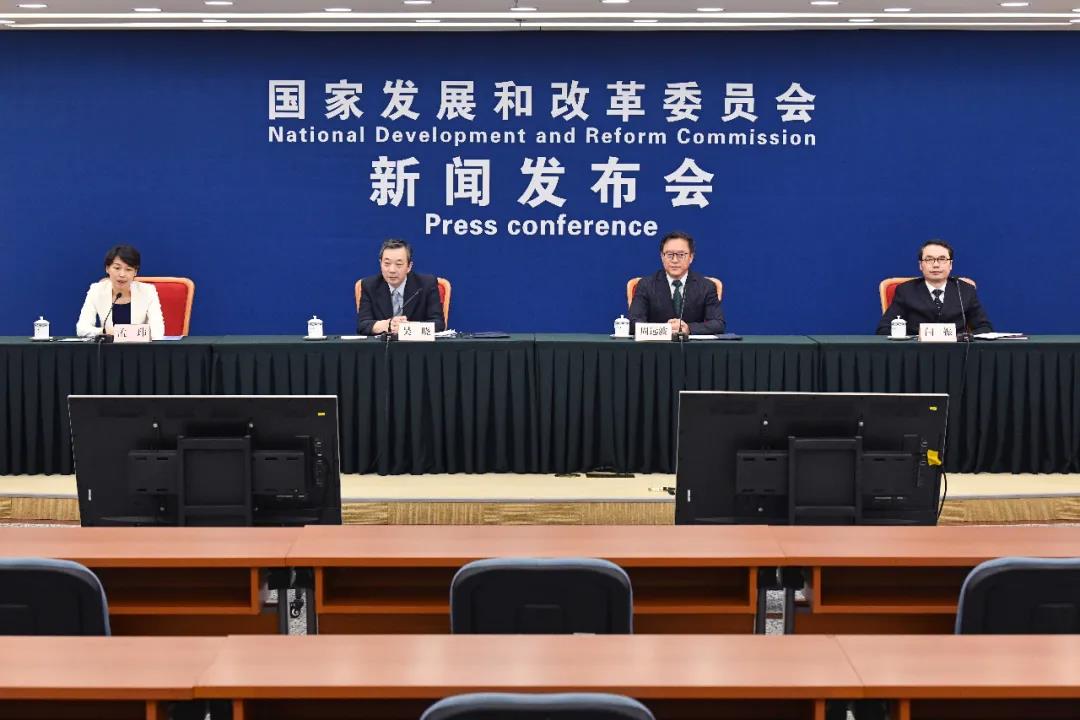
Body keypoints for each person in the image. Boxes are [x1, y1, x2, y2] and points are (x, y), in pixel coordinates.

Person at [876, 239, 992, 336]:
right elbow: (884, 329)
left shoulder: (965, 290)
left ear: (950, 264)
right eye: (929, 259)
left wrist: (964, 339)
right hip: (917, 351)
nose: (936, 265)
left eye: (942, 259)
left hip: (957, 352)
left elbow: (984, 328)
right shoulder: (906, 290)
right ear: (921, 265)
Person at [628, 231, 725, 335]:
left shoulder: (706, 286)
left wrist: (688, 328)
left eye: (681, 255)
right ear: (662, 257)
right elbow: (634, 323)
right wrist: (664, 330)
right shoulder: (645, 285)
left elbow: (718, 324)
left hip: (691, 344)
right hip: (656, 344)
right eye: (669, 255)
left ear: (691, 257)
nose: (674, 260)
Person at [356, 238, 446, 335]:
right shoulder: (369, 285)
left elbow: (438, 324)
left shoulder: (426, 284)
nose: (392, 270)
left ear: (409, 267)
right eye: (387, 264)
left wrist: (407, 328)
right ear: (380, 264)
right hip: (383, 344)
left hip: (417, 344)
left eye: (398, 264)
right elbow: (363, 325)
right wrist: (388, 325)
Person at [76, 244, 165, 340]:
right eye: (117, 268)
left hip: (139, 347)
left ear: (135, 272)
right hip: (108, 348)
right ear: (107, 269)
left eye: (128, 269)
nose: (122, 274)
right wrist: (105, 331)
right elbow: (81, 329)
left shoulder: (148, 291)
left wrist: (120, 333)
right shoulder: (96, 290)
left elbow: (157, 332)